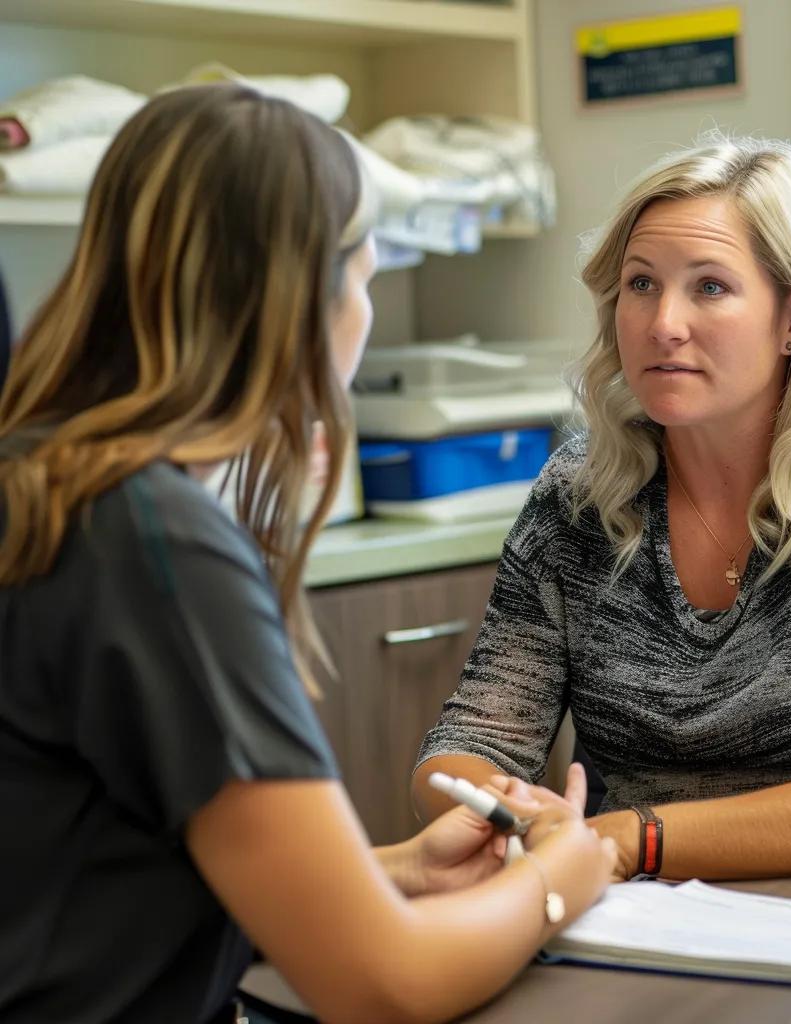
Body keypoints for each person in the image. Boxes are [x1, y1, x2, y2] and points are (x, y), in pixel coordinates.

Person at [0, 84, 616, 1024]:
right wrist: (560, 883)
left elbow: (103, 877)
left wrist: (397, 870)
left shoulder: (41, 478)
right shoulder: (154, 546)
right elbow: (382, 984)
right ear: (298, 297)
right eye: (365, 276)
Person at [413, 135, 791, 884]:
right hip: (631, 919)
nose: (662, 323)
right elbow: (473, 737)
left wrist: (626, 840)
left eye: (709, 287)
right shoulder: (577, 493)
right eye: (641, 284)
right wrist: (507, 811)